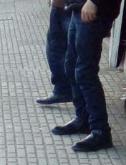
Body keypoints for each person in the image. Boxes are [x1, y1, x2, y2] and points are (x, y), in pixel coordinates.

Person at [52, 0, 123, 151]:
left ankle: (100, 131)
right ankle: (83, 119)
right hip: (78, 7)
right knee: (71, 66)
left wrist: (94, 2)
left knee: (85, 72)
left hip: (94, 10)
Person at [37, 0, 73, 105]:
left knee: (77, 53)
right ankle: (62, 89)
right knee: (54, 48)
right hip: (59, 7)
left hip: (77, 8)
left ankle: (80, 97)